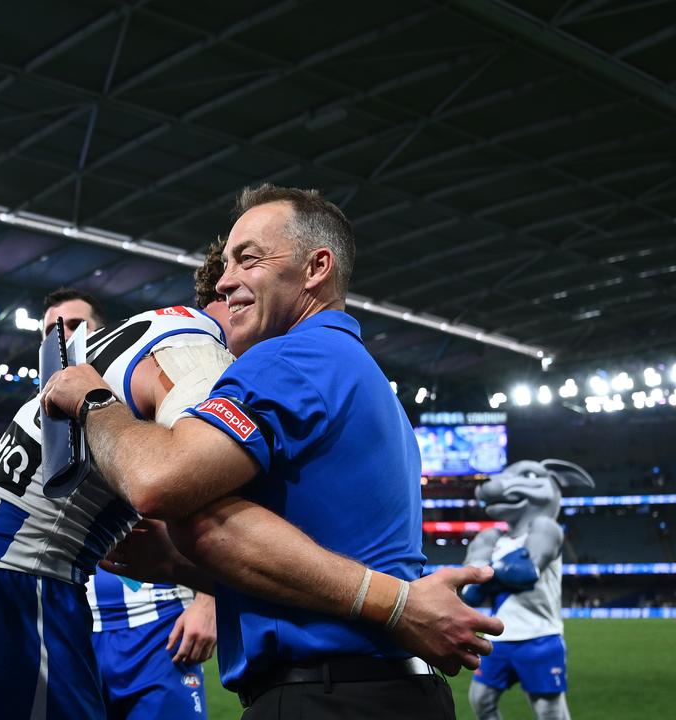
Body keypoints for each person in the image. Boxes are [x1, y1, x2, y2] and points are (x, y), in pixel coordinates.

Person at [43, 184, 506, 719]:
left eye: (249, 259)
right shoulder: (350, 365)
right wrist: (180, 566)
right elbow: (311, 560)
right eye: (226, 265)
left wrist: (94, 400)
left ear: (316, 268)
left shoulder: (289, 358)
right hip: (390, 691)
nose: (225, 279)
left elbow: (159, 481)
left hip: (325, 696)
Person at [0, 288, 238, 720]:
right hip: (22, 587)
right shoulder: (195, 346)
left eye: (71, 327)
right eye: (50, 330)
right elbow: (166, 479)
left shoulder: (132, 341)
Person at [43, 287, 218, 720]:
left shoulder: (141, 390)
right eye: (49, 330)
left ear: (103, 331)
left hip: (157, 624)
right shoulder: (40, 420)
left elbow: (206, 488)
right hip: (79, 630)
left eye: (71, 326)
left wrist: (211, 600)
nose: (58, 337)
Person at [464, 459, 593, 720]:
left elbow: (524, 573)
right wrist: (499, 572)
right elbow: (471, 593)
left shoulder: (546, 528)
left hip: (539, 636)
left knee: (549, 711)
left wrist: (488, 573)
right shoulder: (493, 539)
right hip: (499, 638)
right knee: (481, 701)